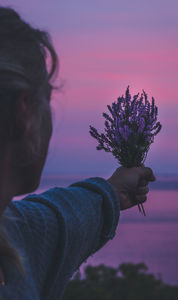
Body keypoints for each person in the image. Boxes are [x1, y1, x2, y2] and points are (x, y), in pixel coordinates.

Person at [0, 6, 156, 300]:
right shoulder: (16, 239)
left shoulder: (12, 232)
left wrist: (111, 192)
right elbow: (52, 225)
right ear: (25, 112)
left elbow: (56, 218)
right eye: (48, 100)